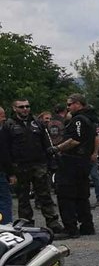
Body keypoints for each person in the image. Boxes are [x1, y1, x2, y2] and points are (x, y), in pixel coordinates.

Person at [0, 98, 64, 231]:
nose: (25, 109)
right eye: (21, 107)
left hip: (39, 165)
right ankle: (26, 225)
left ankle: (53, 223)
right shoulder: (9, 126)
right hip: (19, 166)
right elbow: (4, 150)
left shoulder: (38, 123)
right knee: (23, 198)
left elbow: (47, 144)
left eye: (27, 106)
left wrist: (51, 164)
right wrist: (10, 172)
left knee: (45, 195)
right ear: (14, 108)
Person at [53, 93, 98, 237]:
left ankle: (70, 228)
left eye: (69, 104)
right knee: (82, 195)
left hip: (72, 161)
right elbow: (95, 138)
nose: (67, 107)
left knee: (65, 195)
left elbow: (75, 140)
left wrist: (57, 148)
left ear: (78, 104)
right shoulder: (91, 118)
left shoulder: (79, 120)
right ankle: (87, 226)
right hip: (83, 161)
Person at [0, 107, 13, 224]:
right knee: (4, 200)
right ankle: (5, 225)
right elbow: (4, 154)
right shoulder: (2, 132)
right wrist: (11, 173)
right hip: (1, 171)